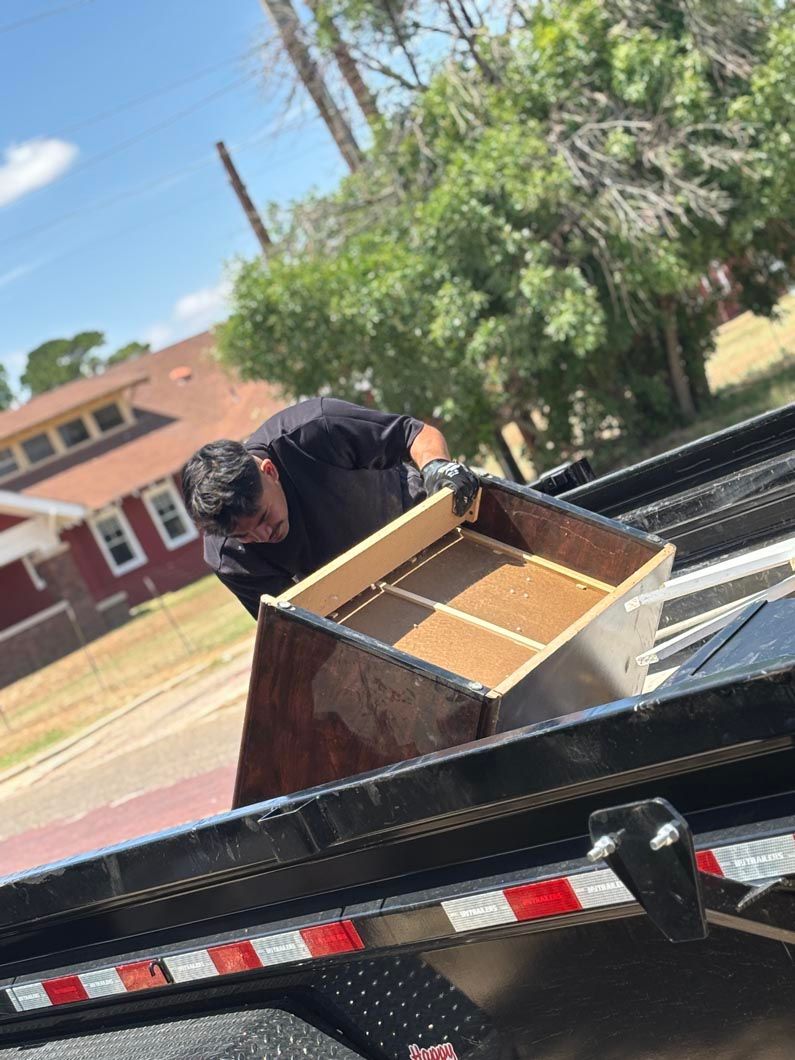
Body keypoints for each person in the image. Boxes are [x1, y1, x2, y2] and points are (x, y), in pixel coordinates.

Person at [182, 396, 479, 617]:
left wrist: (437, 468)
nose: (261, 536)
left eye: (263, 517)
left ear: (270, 472)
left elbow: (414, 434)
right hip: (364, 604)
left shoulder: (314, 429)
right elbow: (297, 627)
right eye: (244, 536)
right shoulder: (228, 557)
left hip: (427, 534)